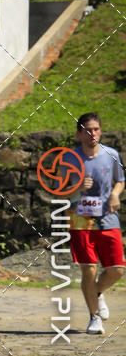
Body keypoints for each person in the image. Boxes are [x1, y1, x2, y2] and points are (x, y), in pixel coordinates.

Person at [65, 112, 125, 334]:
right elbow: (60, 192)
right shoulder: (70, 158)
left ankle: (97, 293)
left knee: (117, 270)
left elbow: (120, 180)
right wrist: (77, 188)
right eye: (88, 130)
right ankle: (94, 317)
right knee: (89, 270)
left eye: (96, 129)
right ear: (79, 133)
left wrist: (115, 195)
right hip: (79, 217)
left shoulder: (111, 154)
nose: (93, 134)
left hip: (108, 217)